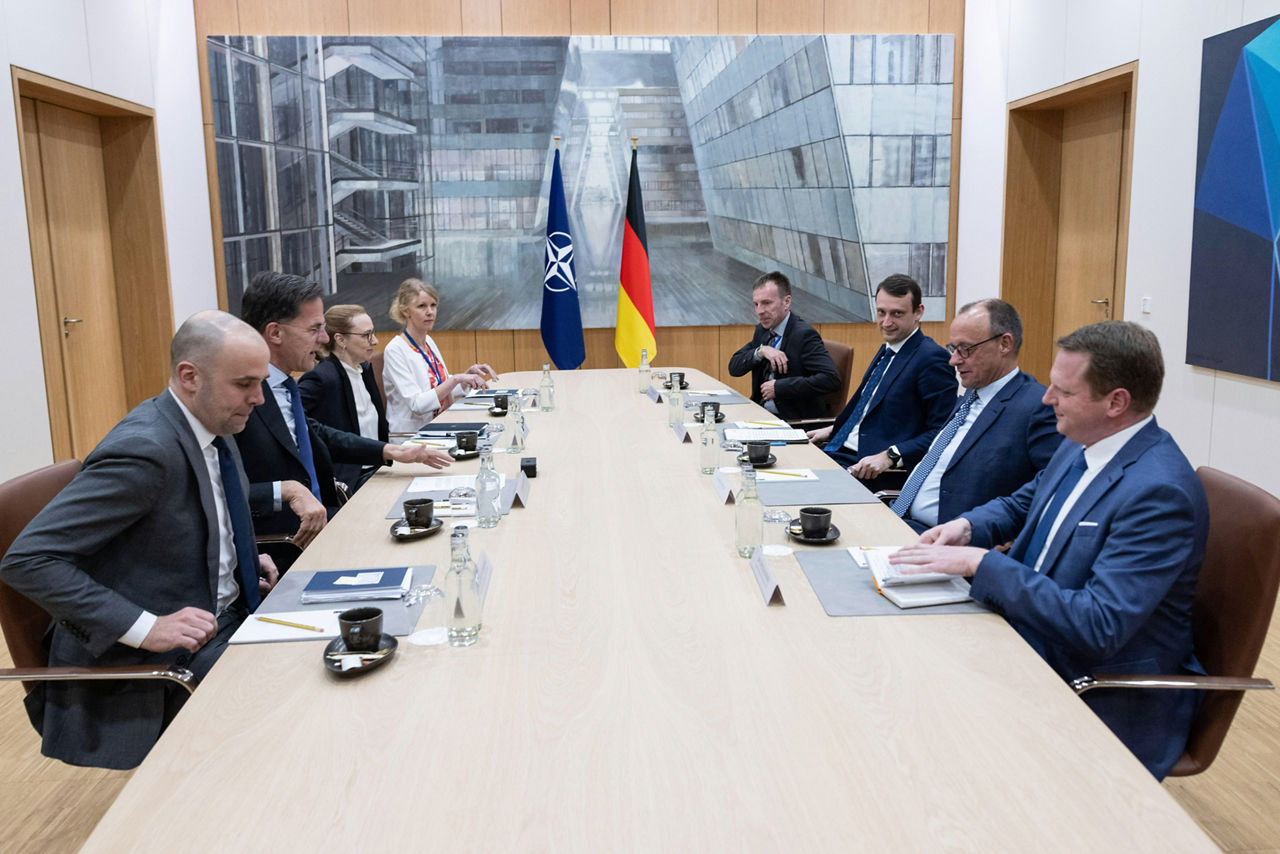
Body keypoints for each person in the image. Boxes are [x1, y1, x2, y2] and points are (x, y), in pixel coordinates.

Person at [890, 321, 1207, 780]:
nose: (1045, 399)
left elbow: (1098, 625)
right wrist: (966, 527)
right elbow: (1027, 500)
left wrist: (982, 562)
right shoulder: (1084, 443)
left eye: (1063, 390)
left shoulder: (1158, 492)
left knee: (922, 740)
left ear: (1116, 402)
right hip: (1026, 639)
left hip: (1095, 687)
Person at [0, 310, 279, 769]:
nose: (259, 398)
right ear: (190, 377)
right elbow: (28, 559)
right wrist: (146, 626)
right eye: (245, 383)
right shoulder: (145, 449)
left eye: (261, 382)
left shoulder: (214, 420)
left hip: (227, 618)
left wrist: (241, 559)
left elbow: (203, 504)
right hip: (155, 667)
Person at [234, 272, 451, 559]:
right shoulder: (239, 398)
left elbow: (317, 432)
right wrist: (285, 491)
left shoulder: (286, 386)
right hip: (285, 545)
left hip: (328, 521)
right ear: (275, 333)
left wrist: (390, 450)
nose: (324, 339)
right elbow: (219, 492)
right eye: (314, 329)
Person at [889, 298, 1062, 532]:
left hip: (946, 541)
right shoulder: (971, 395)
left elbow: (1054, 489)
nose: (953, 360)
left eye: (965, 349)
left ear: (1004, 344)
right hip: (897, 518)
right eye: (953, 348)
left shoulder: (1037, 406)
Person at [807, 274, 956, 489]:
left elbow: (942, 433)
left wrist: (891, 455)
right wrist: (834, 429)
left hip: (869, 468)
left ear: (918, 312)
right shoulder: (890, 349)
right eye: (881, 312)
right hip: (838, 449)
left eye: (897, 314)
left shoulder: (932, 358)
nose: (887, 322)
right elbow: (871, 409)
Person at [383, 278, 497, 434]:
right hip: (412, 436)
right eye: (422, 306)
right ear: (405, 311)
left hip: (441, 426)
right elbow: (418, 405)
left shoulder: (428, 341)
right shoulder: (395, 349)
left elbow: (439, 386)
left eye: (433, 305)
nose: (430, 312)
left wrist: (467, 377)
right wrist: (456, 379)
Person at [727, 271, 841, 421]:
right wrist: (760, 351)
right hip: (761, 414)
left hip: (793, 421)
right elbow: (734, 368)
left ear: (786, 302)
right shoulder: (763, 330)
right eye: (756, 304)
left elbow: (831, 379)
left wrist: (780, 388)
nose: (759, 311)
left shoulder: (804, 335)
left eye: (767, 303)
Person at [298, 304, 388, 493]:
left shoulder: (364, 370)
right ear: (340, 339)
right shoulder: (322, 377)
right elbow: (294, 420)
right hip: (350, 481)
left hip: (379, 470)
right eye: (366, 335)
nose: (375, 341)